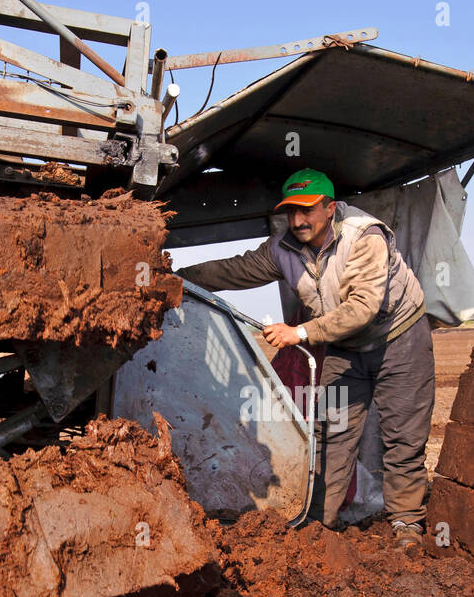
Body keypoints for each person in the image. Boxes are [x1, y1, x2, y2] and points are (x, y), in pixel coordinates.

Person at [177, 168, 434, 549]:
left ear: (330, 208)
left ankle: (407, 525)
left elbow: (363, 307)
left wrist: (298, 333)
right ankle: (319, 524)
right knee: (330, 431)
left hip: (398, 339)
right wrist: (179, 276)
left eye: (307, 210)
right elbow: (234, 269)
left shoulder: (365, 236)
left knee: (403, 436)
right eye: (290, 212)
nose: (297, 220)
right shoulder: (283, 248)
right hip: (346, 347)